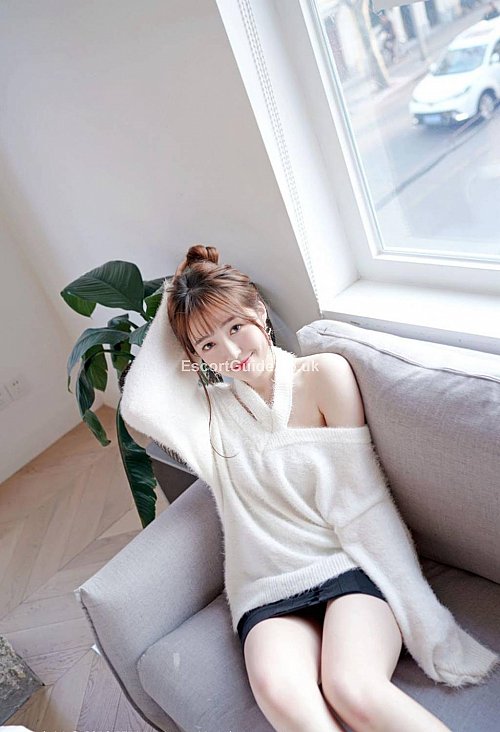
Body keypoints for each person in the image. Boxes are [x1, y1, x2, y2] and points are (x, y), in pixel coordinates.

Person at [121, 245, 498, 732]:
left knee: (352, 689)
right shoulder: (207, 414)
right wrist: (181, 295)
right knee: (290, 707)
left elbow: (362, 500)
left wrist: (413, 597)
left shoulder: (322, 375)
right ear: (193, 358)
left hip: (347, 567)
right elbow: (139, 406)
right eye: (207, 346)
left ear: (259, 310)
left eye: (235, 327)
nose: (231, 354)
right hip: (265, 589)